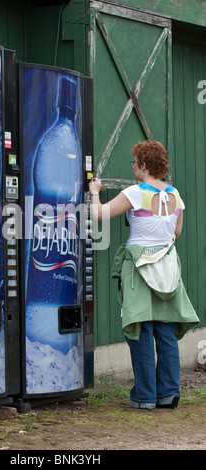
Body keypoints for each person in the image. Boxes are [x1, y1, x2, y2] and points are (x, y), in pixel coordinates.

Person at [89, 140, 200, 410]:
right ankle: (169, 393)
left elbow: (99, 214)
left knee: (140, 329)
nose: (134, 167)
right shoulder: (176, 195)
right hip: (167, 268)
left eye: (135, 162)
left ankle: (145, 395)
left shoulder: (136, 193)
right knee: (165, 330)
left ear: (144, 165)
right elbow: (175, 234)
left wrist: (95, 192)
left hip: (139, 267)